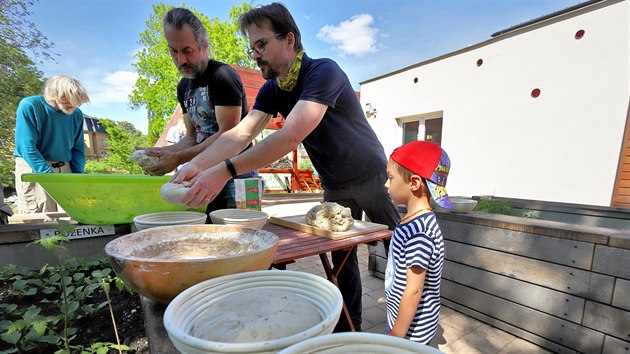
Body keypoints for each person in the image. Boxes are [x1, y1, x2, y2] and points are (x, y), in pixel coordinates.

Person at [172, 2, 400, 332]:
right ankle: (350, 332)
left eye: (261, 44)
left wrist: (226, 170)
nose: (255, 54)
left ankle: (411, 327)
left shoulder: (324, 72)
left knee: (401, 249)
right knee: (343, 260)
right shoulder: (273, 89)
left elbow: (291, 135)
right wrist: (194, 165)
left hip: (372, 174)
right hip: (335, 184)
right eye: (251, 48)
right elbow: (240, 134)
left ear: (289, 40)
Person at [139, 7, 257, 212]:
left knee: (238, 238)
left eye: (187, 50)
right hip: (203, 174)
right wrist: (158, 153)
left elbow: (228, 136)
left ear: (203, 46)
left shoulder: (223, 76)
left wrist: (179, 158)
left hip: (236, 176)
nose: (180, 60)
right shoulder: (183, 86)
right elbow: (192, 137)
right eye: (173, 51)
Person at [384, 140, 450, 344]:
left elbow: (414, 290)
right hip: (404, 321)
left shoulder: (420, 232)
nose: (386, 184)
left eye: (390, 178)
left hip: (411, 331)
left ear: (413, 183)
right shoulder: (414, 221)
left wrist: (397, 335)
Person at [13, 74, 90, 214]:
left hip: (64, 168)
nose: (71, 104)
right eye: (66, 98)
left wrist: (78, 177)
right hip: (34, 166)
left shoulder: (76, 114)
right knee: (42, 217)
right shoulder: (30, 106)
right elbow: (27, 147)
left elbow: (78, 148)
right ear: (52, 93)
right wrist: (49, 177)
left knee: (73, 214)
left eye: (76, 101)